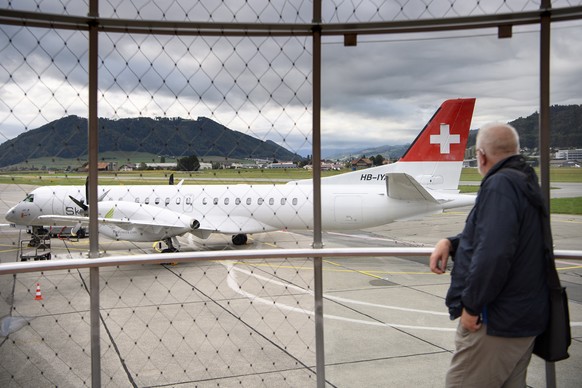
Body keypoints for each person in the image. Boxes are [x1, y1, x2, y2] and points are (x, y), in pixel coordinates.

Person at [429, 122, 550, 387]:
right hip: (522, 319)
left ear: (480, 155)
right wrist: (451, 242)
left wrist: (472, 306)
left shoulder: (499, 185)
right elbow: (499, 234)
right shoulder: (524, 180)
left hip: (495, 321)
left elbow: (494, 253)